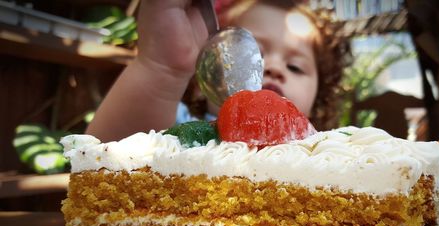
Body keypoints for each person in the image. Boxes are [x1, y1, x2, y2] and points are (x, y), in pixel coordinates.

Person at [86, 0, 350, 142]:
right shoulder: (179, 126)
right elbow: (108, 156)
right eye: (252, 55)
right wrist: (164, 71)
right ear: (203, 78)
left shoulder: (322, 152)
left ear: (318, 99)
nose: (274, 68)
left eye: (295, 67)